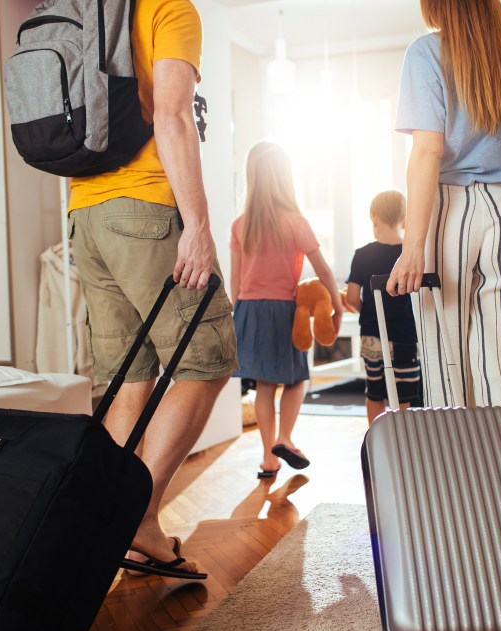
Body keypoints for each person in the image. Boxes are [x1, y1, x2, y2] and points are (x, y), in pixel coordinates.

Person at [385, 0, 501, 556]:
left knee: (449, 382)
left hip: (449, 217)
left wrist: (413, 242)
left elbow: (427, 153)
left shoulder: (427, 52)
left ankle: (467, 549)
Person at [67, 0, 237, 578]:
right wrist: (198, 225)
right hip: (145, 209)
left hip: (85, 214)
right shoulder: (171, 10)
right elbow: (172, 116)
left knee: (128, 376)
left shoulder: (90, 11)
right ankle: (137, 518)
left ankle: (106, 523)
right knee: (209, 357)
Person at [230, 141, 343, 479]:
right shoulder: (295, 222)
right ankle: (285, 437)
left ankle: (268, 459)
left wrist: (238, 322)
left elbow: (235, 285)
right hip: (283, 311)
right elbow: (322, 270)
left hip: (249, 311)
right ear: (284, 178)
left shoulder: (240, 225)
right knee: (296, 380)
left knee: (264, 386)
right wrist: (336, 302)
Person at [346, 190, 421, 424]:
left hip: (372, 335)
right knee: (404, 396)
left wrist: (368, 312)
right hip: (404, 336)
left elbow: (350, 297)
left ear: (373, 217)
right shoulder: (409, 256)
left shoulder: (362, 255)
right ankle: (405, 439)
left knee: (374, 391)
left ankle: (377, 439)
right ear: (405, 220)